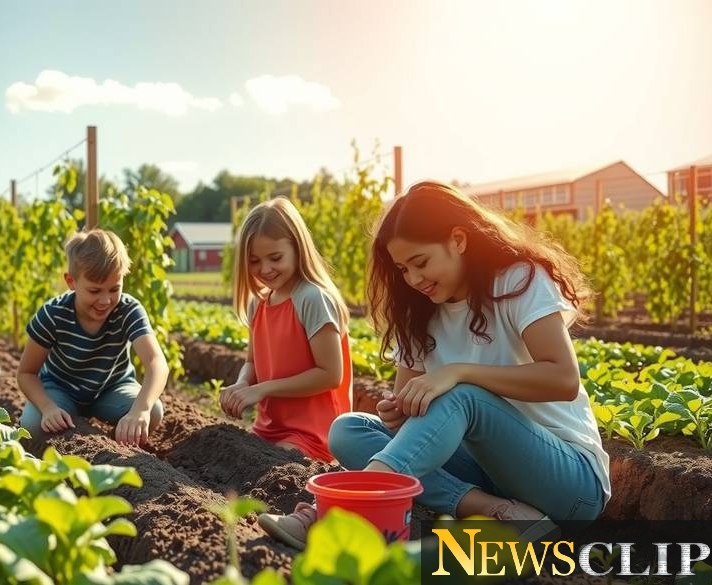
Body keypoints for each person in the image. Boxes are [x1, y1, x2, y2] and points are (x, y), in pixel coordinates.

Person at [258, 180, 611, 550]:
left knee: (463, 395)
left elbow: (563, 378)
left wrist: (457, 372)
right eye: (402, 269)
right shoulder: (417, 313)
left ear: (458, 240)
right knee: (349, 429)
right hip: (489, 476)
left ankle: (332, 511)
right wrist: (400, 410)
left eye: (421, 263)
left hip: (569, 485)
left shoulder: (518, 280)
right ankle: (498, 512)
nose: (413, 279)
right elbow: (410, 422)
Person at [220, 197, 353, 462]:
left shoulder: (312, 298)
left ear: (297, 247)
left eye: (275, 257)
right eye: (255, 261)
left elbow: (330, 374)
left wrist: (262, 390)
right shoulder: (257, 303)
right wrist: (243, 383)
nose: (265, 269)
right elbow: (252, 362)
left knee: (269, 473)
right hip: (268, 429)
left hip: (314, 435)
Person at [17, 229, 169, 446]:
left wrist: (140, 410)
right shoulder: (52, 314)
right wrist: (48, 408)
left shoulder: (128, 310)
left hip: (111, 388)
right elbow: (26, 373)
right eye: (95, 291)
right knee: (32, 425)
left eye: (114, 289)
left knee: (153, 411)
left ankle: (119, 443)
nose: (105, 300)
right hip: (60, 389)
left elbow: (157, 363)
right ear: (71, 282)